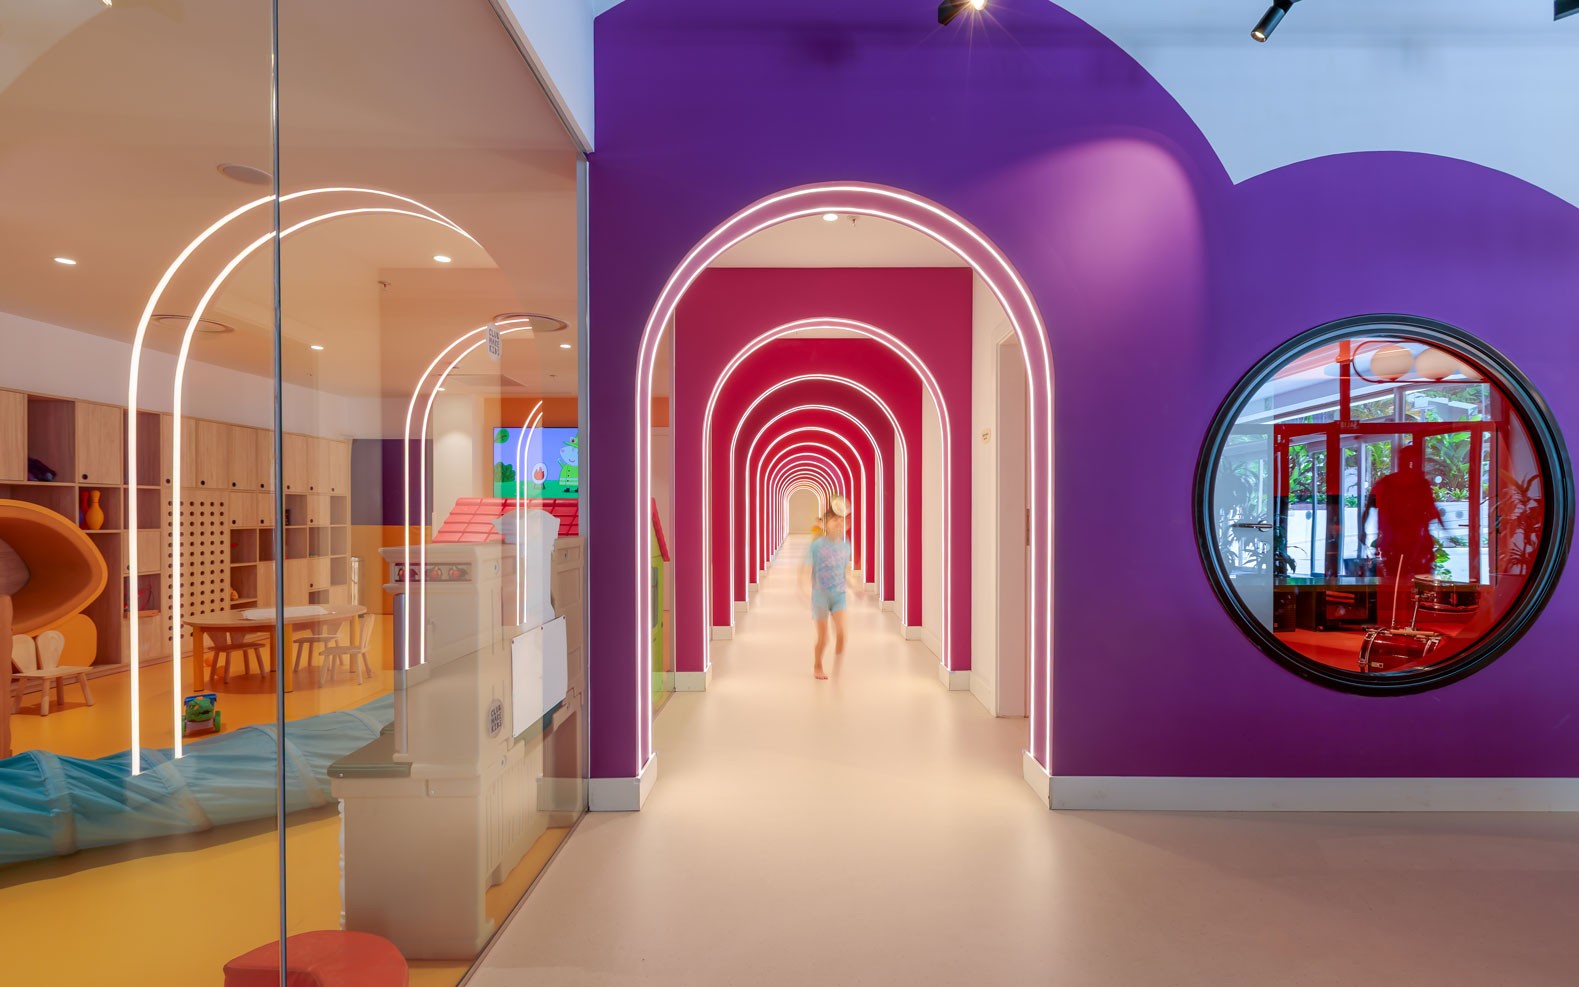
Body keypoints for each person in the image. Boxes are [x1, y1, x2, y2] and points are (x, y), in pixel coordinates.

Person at [1359, 443, 1444, 623]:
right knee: (1394, 581)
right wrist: (1363, 531)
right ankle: (1393, 618)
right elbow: (1369, 507)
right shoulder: (1387, 483)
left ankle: (1414, 618)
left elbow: (1431, 510)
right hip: (1393, 544)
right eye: (1407, 460)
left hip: (1416, 544)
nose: (1410, 464)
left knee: (1415, 582)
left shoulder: (1421, 485)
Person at [799, 498, 862, 680]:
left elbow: (844, 571)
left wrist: (854, 586)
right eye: (835, 520)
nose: (839, 524)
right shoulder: (817, 545)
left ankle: (837, 668)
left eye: (842, 521)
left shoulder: (846, 546)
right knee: (824, 638)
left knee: (842, 634)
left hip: (839, 595)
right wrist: (803, 588)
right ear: (826, 523)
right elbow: (806, 569)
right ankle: (817, 664)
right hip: (820, 595)